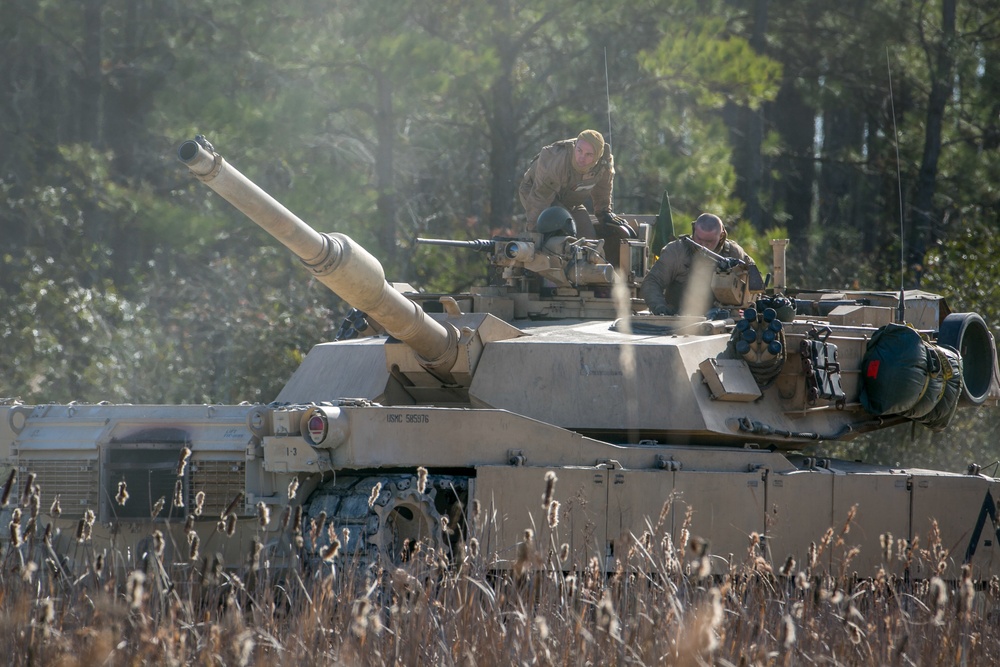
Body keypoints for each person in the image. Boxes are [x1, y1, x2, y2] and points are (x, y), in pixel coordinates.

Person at [518, 130, 631, 246]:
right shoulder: (557, 160)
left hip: (569, 199)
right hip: (536, 192)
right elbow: (540, 199)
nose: (582, 158)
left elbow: (603, 188)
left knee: (588, 239)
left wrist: (604, 212)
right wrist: (535, 235)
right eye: (579, 151)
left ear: (597, 156)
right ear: (575, 146)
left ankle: (586, 263)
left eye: (589, 154)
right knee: (558, 236)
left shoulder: (604, 163)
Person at [641, 213, 755, 316]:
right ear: (694, 230)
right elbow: (652, 281)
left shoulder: (734, 253)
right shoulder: (676, 252)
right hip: (678, 321)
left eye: (709, 241)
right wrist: (660, 307)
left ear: (721, 236)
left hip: (723, 322)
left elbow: (755, 283)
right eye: (699, 239)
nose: (703, 245)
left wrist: (747, 307)